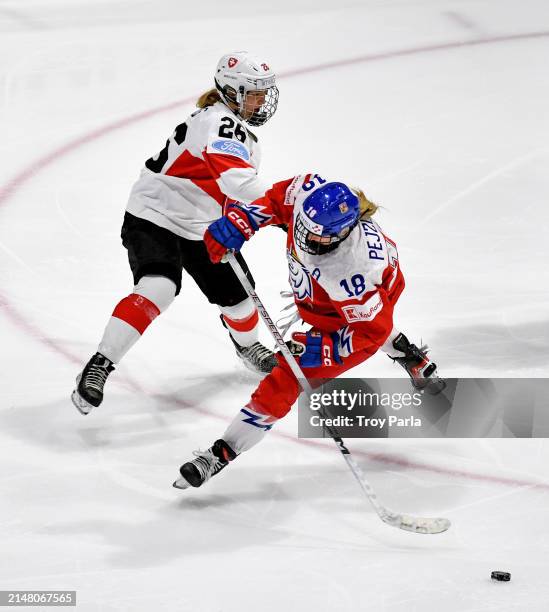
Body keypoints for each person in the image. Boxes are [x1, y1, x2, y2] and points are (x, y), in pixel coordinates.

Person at [173, 173, 444, 489]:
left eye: (315, 238)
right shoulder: (308, 192)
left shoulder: (351, 270)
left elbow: (372, 329)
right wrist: (242, 221)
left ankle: (223, 451)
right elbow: (276, 200)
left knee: (287, 376)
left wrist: (329, 349)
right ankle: (411, 357)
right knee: (323, 307)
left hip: (361, 311)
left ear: (341, 235)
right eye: (302, 226)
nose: (301, 238)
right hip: (356, 301)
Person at [72, 51, 280, 415]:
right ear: (232, 92)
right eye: (254, 92)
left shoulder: (239, 132)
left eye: (264, 92)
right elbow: (238, 180)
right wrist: (288, 202)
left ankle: (247, 347)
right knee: (158, 287)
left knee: (241, 299)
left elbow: (226, 188)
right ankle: (99, 365)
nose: (262, 100)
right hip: (156, 214)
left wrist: (232, 219)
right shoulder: (220, 123)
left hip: (200, 224)